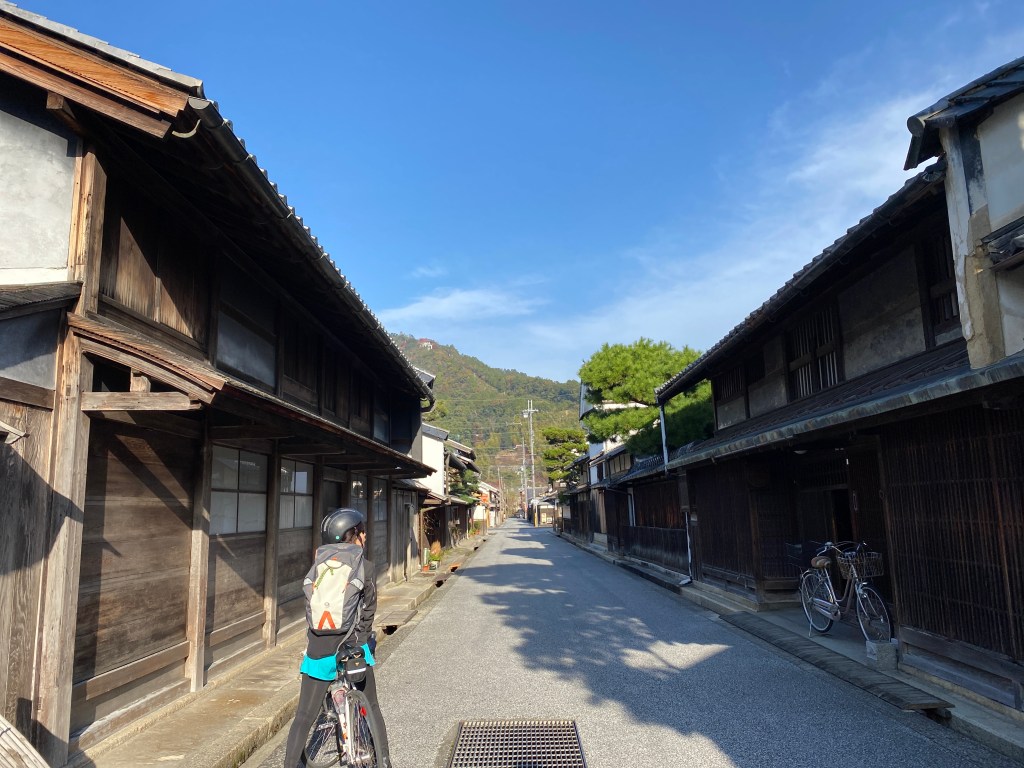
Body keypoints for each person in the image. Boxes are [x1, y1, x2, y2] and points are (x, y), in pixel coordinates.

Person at [283, 508, 391, 767]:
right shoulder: (364, 566)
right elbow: (368, 611)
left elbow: (311, 610)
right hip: (352, 647)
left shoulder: (318, 567)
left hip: (319, 649)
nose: (365, 536)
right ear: (355, 535)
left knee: (303, 716)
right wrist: (361, 642)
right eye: (362, 532)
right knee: (372, 706)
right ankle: (385, 762)